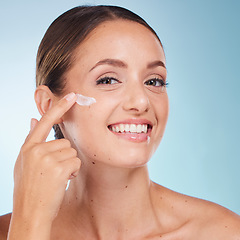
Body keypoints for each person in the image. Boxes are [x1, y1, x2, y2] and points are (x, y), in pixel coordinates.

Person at [0, 5, 239, 240]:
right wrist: (30, 222)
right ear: (49, 105)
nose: (141, 101)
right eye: (108, 80)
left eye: (154, 81)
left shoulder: (223, 233)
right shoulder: (12, 231)